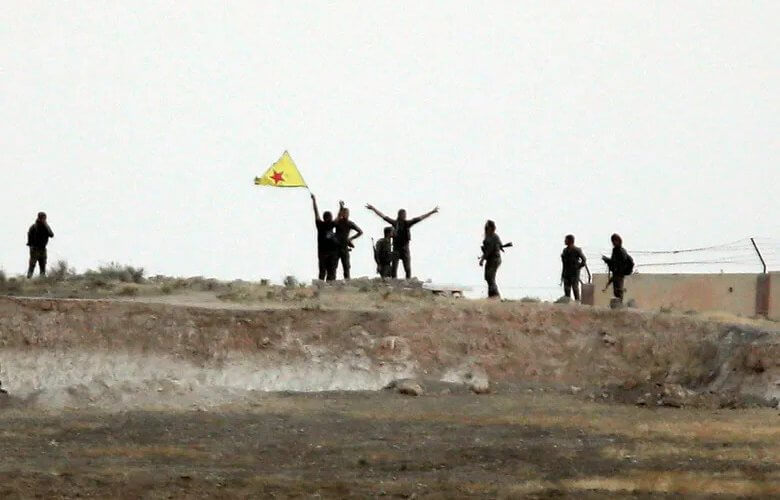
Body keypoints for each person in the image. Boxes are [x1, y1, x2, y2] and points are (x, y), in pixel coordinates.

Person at [365, 204, 439, 279]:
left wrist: (432, 212)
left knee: (407, 269)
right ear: (399, 215)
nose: (404, 216)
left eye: (404, 214)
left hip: (404, 248)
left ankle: (408, 282)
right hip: (396, 249)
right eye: (403, 214)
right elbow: (383, 216)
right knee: (394, 269)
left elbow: (420, 218)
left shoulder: (407, 223)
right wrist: (373, 209)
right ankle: (394, 282)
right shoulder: (395, 223)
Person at [311, 194, 338, 281]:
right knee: (330, 272)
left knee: (323, 272)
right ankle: (328, 288)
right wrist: (341, 208)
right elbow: (338, 217)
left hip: (323, 252)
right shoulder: (329, 224)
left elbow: (316, 212)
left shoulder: (320, 224)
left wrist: (314, 201)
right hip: (329, 252)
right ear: (329, 217)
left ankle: (321, 288)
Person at [334, 202, 363, 280]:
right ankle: (331, 284)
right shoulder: (338, 222)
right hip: (336, 248)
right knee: (333, 267)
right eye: (345, 213)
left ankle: (347, 284)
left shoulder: (350, 223)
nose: (346, 214)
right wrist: (340, 208)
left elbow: (360, 231)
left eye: (347, 213)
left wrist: (350, 238)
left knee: (346, 267)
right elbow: (335, 220)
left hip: (344, 247)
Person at [602, 233, 631, 302]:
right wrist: (608, 261)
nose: (613, 243)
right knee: (616, 292)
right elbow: (614, 262)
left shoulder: (620, 251)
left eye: (614, 241)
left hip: (619, 274)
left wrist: (609, 261)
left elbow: (620, 262)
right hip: (616, 273)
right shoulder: (616, 250)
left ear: (618, 241)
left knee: (618, 292)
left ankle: (619, 307)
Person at [479, 220, 503, 299]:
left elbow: (490, 249)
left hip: (494, 259)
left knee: (490, 277)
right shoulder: (488, 236)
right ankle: (491, 294)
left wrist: (482, 259)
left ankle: (494, 294)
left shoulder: (494, 236)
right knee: (487, 277)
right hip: (490, 259)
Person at [27, 211, 54, 279]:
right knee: (32, 265)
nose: (44, 220)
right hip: (35, 249)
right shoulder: (34, 227)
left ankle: (41, 281)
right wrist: (31, 247)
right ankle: (28, 279)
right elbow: (29, 238)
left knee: (43, 265)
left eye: (44, 218)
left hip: (42, 249)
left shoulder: (45, 227)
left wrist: (46, 225)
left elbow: (51, 234)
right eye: (43, 218)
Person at [561, 234, 587, 301]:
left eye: (566, 240)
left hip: (574, 273)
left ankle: (577, 303)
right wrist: (563, 274)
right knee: (566, 289)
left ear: (570, 241)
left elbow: (584, 260)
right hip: (567, 273)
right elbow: (564, 264)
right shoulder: (565, 251)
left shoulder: (577, 250)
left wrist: (577, 267)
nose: (564, 241)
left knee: (575, 288)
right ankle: (567, 303)